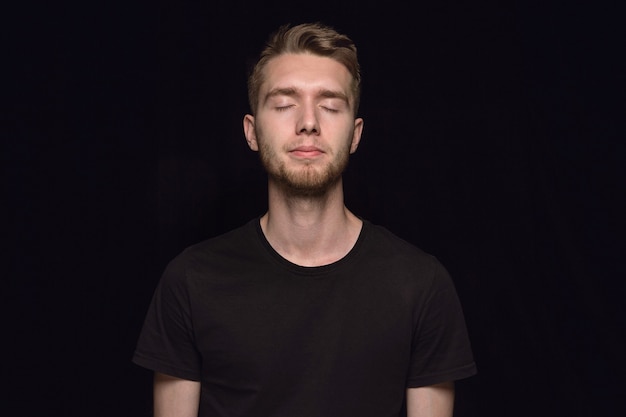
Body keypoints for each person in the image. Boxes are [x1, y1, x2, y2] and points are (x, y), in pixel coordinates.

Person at [133, 22, 477, 417]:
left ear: (355, 134)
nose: (308, 122)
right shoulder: (190, 282)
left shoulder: (421, 285)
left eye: (330, 105)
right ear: (252, 132)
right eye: (283, 104)